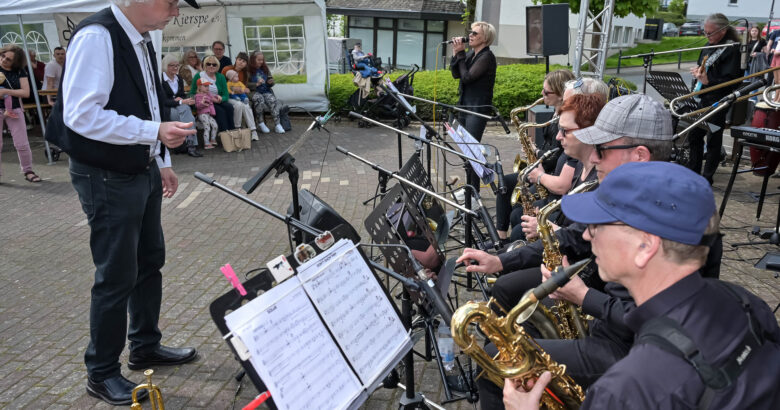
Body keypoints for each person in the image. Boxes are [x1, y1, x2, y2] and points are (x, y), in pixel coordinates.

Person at [503, 161, 780, 410]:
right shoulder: (746, 301)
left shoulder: (624, 391)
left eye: (597, 225)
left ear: (645, 246)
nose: (587, 233)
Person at [44, 0, 200, 405]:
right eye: (170, 2)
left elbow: (150, 102)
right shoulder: (98, 36)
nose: (176, 11)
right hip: (106, 175)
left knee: (150, 261)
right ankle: (101, 373)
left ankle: (145, 346)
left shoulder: (142, 37)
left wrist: (160, 158)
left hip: (139, 166)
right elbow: (81, 115)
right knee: (116, 275)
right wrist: (154, 131)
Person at [494, 69, 576, 241]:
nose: (541, 94)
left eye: (546, 92)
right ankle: (502, 238)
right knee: (504, 187)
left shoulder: (566, 121)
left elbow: (555, 156)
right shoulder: (555, 115)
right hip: (544, 172)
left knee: (516, 208)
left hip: (549, 175)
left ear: (562, 95)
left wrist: (536, 154)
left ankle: (511, 244)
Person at [687, 13, 742, 184]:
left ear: (723, 31)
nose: (707, 36)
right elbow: (703, 70)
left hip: (719, 100)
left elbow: (733, 80)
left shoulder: (732, 49)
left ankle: (707, 177)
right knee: (694, 136)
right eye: (705, 32)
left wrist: (709, 81)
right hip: (703, 97)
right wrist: (698, 73)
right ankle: (694, 173)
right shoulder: (707, 46)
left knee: (713, 137)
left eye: (710, 33)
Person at [450, 21, 497, 195]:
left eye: (475, 33)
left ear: (485, 38)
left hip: (477, 109)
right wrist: (457, 55)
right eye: (470, 32)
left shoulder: (486, 57)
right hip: (465, 106)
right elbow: (457, 74)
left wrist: (461, 54)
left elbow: (468, 77)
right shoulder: (472, 54)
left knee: (471, 150)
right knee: (466, 150)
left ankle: (473, 192)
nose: (470, 35)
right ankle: (471, 188)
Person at [0, 45, 40, 183]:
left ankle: (28, 170)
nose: (4, 60)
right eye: (3, 56)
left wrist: (6, 92)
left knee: (22, 143)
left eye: (9, 59)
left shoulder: (20, 71)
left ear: (15, 62)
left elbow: (26, 93)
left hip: (14, 109)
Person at [160, 53, 201, 157]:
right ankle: (180, 146)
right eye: (172, 65)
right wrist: (179, 101)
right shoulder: (160, 80)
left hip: (178, 105)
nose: (175, 67)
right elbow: (163, 101)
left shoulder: (179, 78)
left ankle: (191, 145)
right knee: (176, 115)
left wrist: (185, 100)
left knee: (186, 109)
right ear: (165, 66)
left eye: (177, 65)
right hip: (167, 107)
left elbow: (181, 95)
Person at [189, 54, 235, 133]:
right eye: (208, 64)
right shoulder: (199, 76)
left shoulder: (221, 77)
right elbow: (192, 92)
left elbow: (226, 95)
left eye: (214, 64)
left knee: (229, 107)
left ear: (217, 66)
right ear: (205, 65)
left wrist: (221, 98)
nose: (211, 66)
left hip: (217, 100)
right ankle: (224, 134)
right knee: (220, 111)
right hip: (205, 103)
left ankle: (232, 132)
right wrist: (196, 105)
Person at [249, 51, 284, 134]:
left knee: (272, 100)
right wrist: (256, 84)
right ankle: (261, 123)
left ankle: (277, 124)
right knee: (259, 99)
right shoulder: (248, 70)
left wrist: (270, 82)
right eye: (259, 60)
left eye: (262, 60)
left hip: (265, 90)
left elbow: (270, 80)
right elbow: (244, 84)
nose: (261, 62)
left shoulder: (265, 68)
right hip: (254, 91)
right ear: (253, 60)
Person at [194, 78, 218, 149]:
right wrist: (202, 103)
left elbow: (213, 98)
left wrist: (217, 97)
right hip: (202, 114)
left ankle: (212, 139)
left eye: (208, 86)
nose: (207, 87)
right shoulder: (198, 96)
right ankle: (206, 143)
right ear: (199, 87)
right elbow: (197, 106)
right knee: (207, 128)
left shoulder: (208, 94)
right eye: (205, 86)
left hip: (209, 114)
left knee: (215, 125)